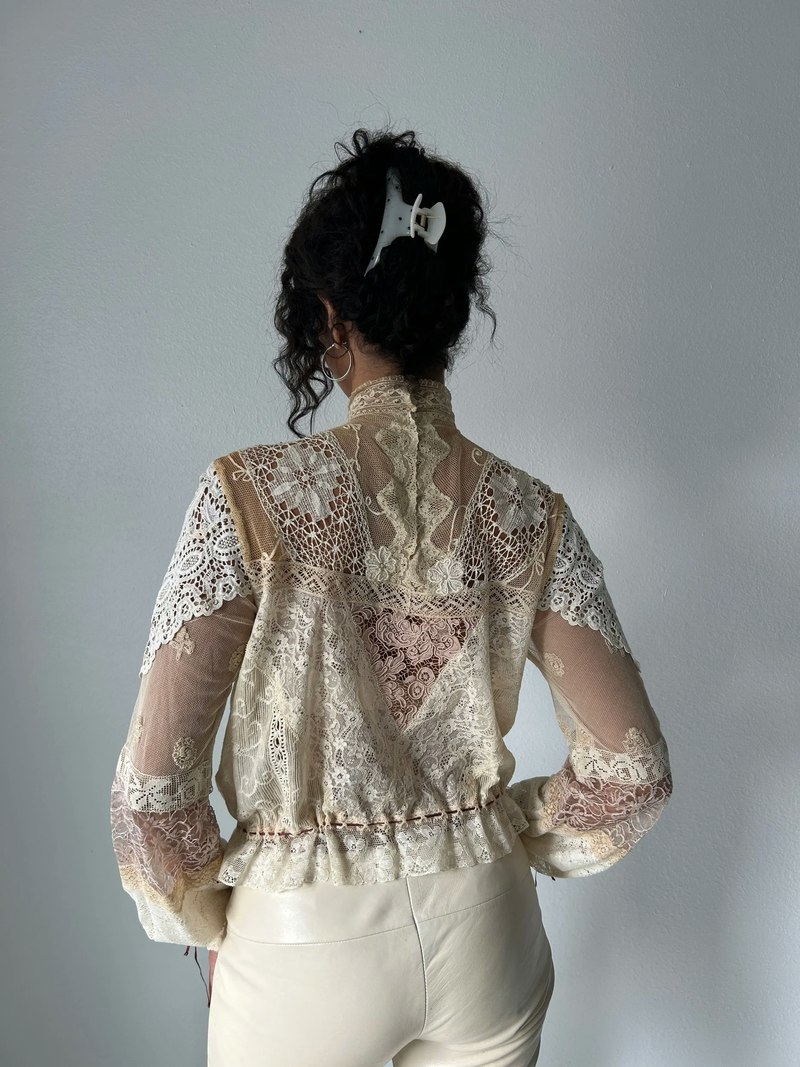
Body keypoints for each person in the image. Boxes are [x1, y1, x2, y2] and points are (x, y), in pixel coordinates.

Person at [110, 126, 673, 1066]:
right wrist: (499, 833)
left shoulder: (249, 496)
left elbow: (155, 795)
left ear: (328, 315)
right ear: (449, 313)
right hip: (488, 928)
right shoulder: (530, 513)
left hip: (304, 947)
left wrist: (212, 915)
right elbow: (633, 770)